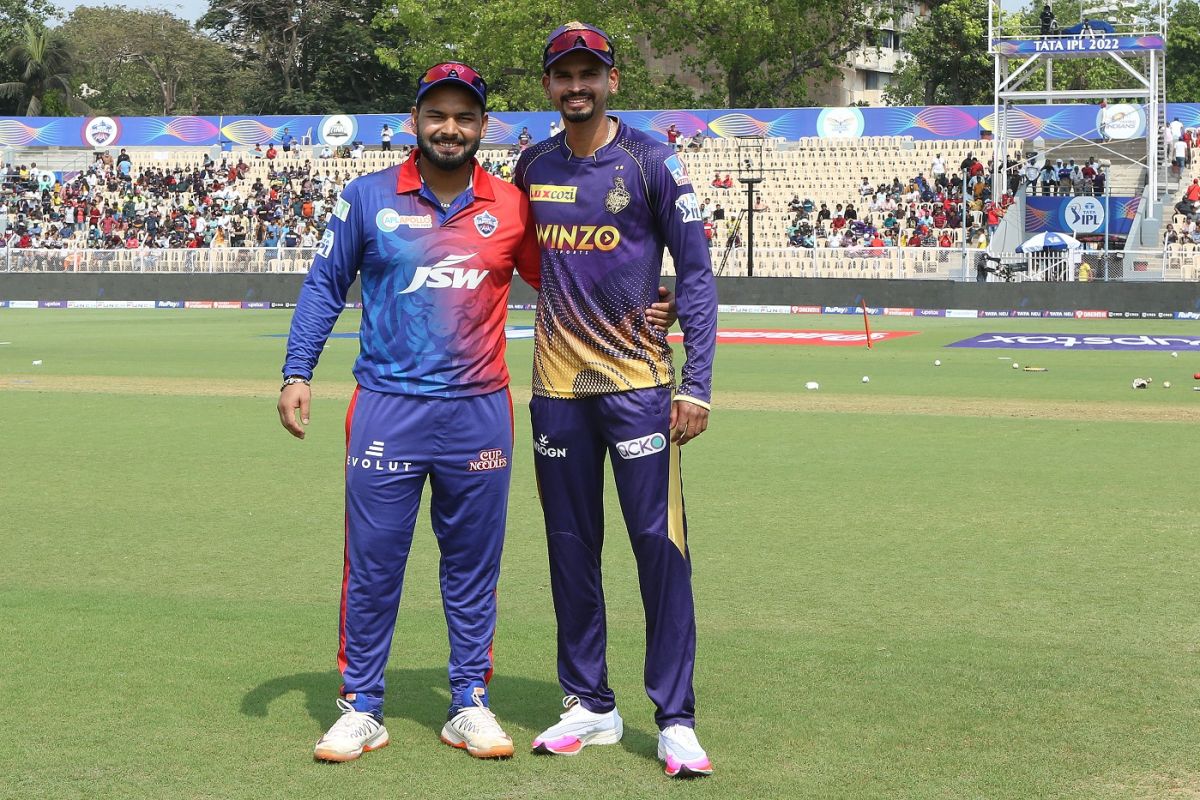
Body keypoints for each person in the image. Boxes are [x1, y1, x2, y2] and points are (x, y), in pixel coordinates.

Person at [278, 61, 677, 766]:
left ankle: (469, 701)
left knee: (471, 569)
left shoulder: (511, 205)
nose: (451, 128)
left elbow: (564, 272)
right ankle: (360, 706)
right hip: (387, 409)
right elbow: (322, 286)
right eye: (438, 115)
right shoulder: (368, 197)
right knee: (372, 568)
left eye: (465, 117)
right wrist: (296, 371)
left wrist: (647, 296)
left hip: (478, 412)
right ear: (414, 122)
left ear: (483, 128)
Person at [515, 21, 717, 780]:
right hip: (557, 391)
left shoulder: (653, 162)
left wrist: (696, 382)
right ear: (548, 86)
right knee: (571, 550)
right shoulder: (531, 163)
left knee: (660, 552)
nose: (576, 86)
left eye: (588, 73)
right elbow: (527, 258)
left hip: (639, 388)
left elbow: (695, 274)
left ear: (612, 81)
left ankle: (676, 718)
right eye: (563, 75)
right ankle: (589, 705)